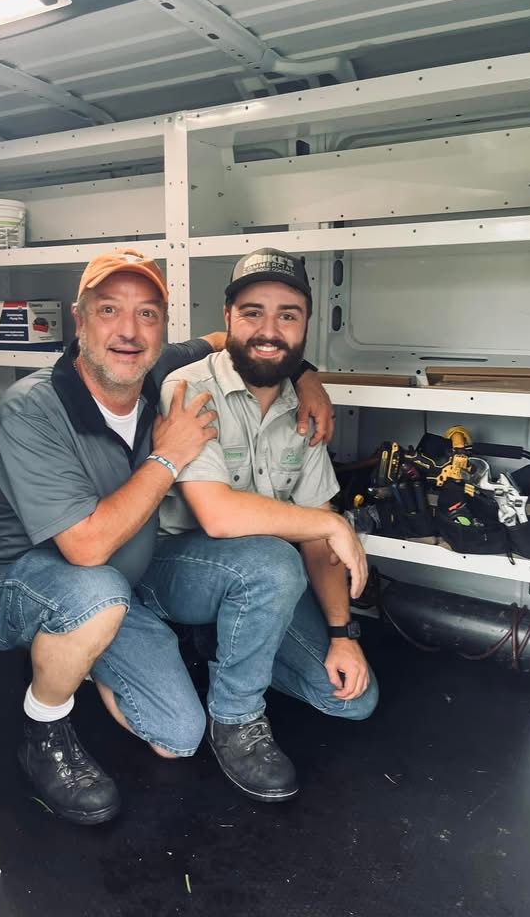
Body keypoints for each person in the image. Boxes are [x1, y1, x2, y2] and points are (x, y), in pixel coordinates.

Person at [0, 247, 337, 825]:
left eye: (147, 313)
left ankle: (93, 653)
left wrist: (308, 378)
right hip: (31, 585)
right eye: (108, 310)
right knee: (94, 592)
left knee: (177, 737)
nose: (129, 330)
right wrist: (167, 457)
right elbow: (86, 548)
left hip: (128, 586)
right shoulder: (32, 408)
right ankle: (42, 727)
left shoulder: (158, 366)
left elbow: (240, 340)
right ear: (80, 322)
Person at [139, 247, 378, 804]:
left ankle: (229, 647)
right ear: (227, 319)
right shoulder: (188, 388)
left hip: (264, 582)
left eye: (287, 315)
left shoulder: (304, 406)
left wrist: (343, 636)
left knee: (350, 699)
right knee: (273, 560)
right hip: (173, 568)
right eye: (252, 312)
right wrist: (332, 527)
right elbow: (218, 516)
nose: (269, 330)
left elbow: (318, 539)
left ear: (305, 327)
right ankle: (236, 718)